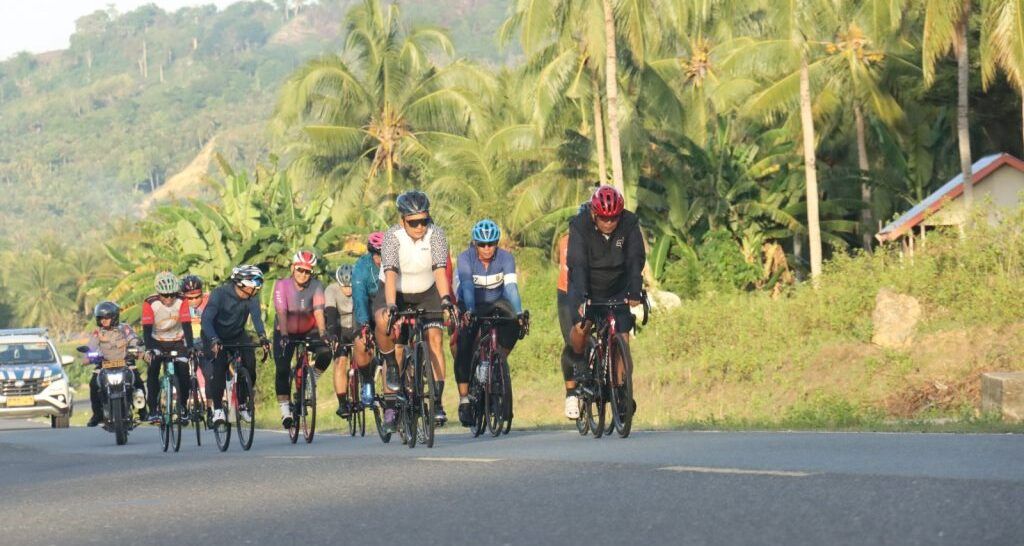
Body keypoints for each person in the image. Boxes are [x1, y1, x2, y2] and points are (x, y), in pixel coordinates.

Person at [373, 190, 455, 429]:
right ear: (402, 221)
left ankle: (437, 402)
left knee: (436, 340)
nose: (420, 227)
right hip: (395, 290)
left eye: (424, 221)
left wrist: (446, 300)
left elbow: (440, 271)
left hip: (426, 290)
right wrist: (390, 306)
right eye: (413, 222)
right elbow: (390, 274)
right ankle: (391, 372)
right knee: (384, 323)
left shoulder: (436, 234)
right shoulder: (393, 237)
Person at [566, 185, 645, 412]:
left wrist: (635, 292)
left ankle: (621, 389)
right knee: (583, 327)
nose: (609, 223)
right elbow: (577, 264)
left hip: (618, 286)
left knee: (622, 335)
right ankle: (580, 362)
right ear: (594, 213)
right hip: (587, 286)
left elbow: (634, 260)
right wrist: (582, 296)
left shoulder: (629, 223)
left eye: (613, 219)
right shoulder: (579, 226)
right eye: (603, 218)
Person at [453, 219, 527, 427]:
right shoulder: (465, 258)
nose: (487, 249)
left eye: (491, 244)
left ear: (497, 243)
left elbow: (511, 288)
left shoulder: (506, 258)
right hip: (471, 301)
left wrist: (519, 312)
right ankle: (465, 399)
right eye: (482, 244)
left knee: (514, 321)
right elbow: (467, 287)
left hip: (497, 301)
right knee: (465, 345)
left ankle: (497, 362)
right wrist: (469, 312)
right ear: (475, 243)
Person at [201, 265, 270, 426]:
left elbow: (257, 319)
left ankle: (243, 403)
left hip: (237, 334)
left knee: (250, 365)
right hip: (214, 334)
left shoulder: (252, 298)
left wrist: (263, 337)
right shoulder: (220, 294)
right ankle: (217, 410)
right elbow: (206, 320)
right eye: (254, 287)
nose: (256, 291)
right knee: (219, 367)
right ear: (241, 284)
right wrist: (213, 340)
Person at [272, 250, 332, 429]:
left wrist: (323, 333)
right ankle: (285, 411)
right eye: (299, 270)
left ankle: (310, 379)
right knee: (282, 368)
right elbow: (281, 312)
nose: (303, 274)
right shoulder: (282, 285)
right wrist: (283, 335)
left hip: (309, 329)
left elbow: (319, 311)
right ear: (292, 268)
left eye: (307, 271)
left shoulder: (316, 286)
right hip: (285, 330)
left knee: (326, 353)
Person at [141, 272, 194, 424]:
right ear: (158, 294)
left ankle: (183, 407)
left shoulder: (182, 300)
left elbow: (186, 324)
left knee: (183, 370)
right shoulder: (150, 303)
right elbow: (146, 329)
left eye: (172, 295)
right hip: (156, 341)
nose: (169, 299)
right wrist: (149, 349)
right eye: (165, 295)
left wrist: (190, 346)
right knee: (153, 369)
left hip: (177, 340)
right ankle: (153, 410)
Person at [85, 302, 145, 427]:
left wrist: (135, 347)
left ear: (114, 317)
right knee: (93, 384)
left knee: (138, 381)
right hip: (104, 365)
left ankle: (143, 411)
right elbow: (91, 346)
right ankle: (97, 414)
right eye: (100, 318)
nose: (103, 321)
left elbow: (133, 339)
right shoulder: (98, 332)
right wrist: (88, 356)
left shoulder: (125, 328)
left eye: (106, 318)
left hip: (125, 363)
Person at [350, 232, 384, 400]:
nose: (381, 259)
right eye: (378, 255)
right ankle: (367, 380)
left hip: (386, 305)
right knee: (361, 344)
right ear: (372, 253)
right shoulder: (361, 268)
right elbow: (359, 297)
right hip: (366, 305)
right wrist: (364, 324)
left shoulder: (397, 263)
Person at [325, 264, 360, 417]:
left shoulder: (359, 286)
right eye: (344, 287)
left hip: (355, 324)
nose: (348, 290)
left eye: (350, 286)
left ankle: (366, 388)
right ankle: (342, 403)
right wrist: (332, 334)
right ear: (339, 283)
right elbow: (331, 314)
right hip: (339, 328)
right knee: (340, 362)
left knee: (366, 354)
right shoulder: (331, 290)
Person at [180, 274, 210, 406]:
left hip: (204, 341)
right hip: (186, 341)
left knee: (209, 371)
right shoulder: (179, 304)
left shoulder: (209, 300)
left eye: (197, 297)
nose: (194, 301)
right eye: (189, 298)